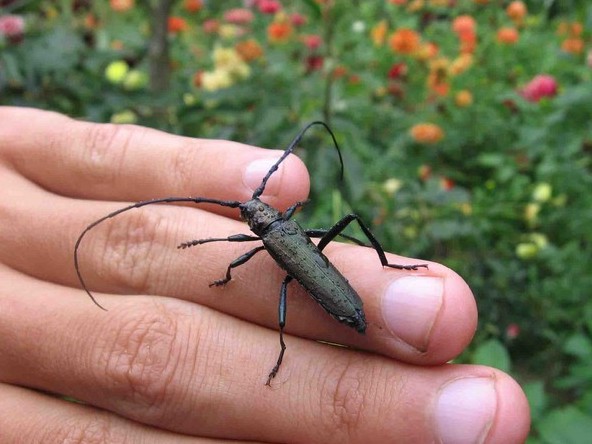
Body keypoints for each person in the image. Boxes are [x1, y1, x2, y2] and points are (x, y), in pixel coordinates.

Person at [0, 107, 530, 443]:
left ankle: (377, 274)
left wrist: (213, 255)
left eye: (250, 214)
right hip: (329, 285)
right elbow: (245, 250)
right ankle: (353, 290)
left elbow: (239, 253)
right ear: (267, 220)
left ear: (261, 220)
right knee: (339, 232)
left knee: (297, 260)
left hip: (335, 293)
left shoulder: (264, 238)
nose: (251, 216)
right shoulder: (281, 229)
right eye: (250, 216)